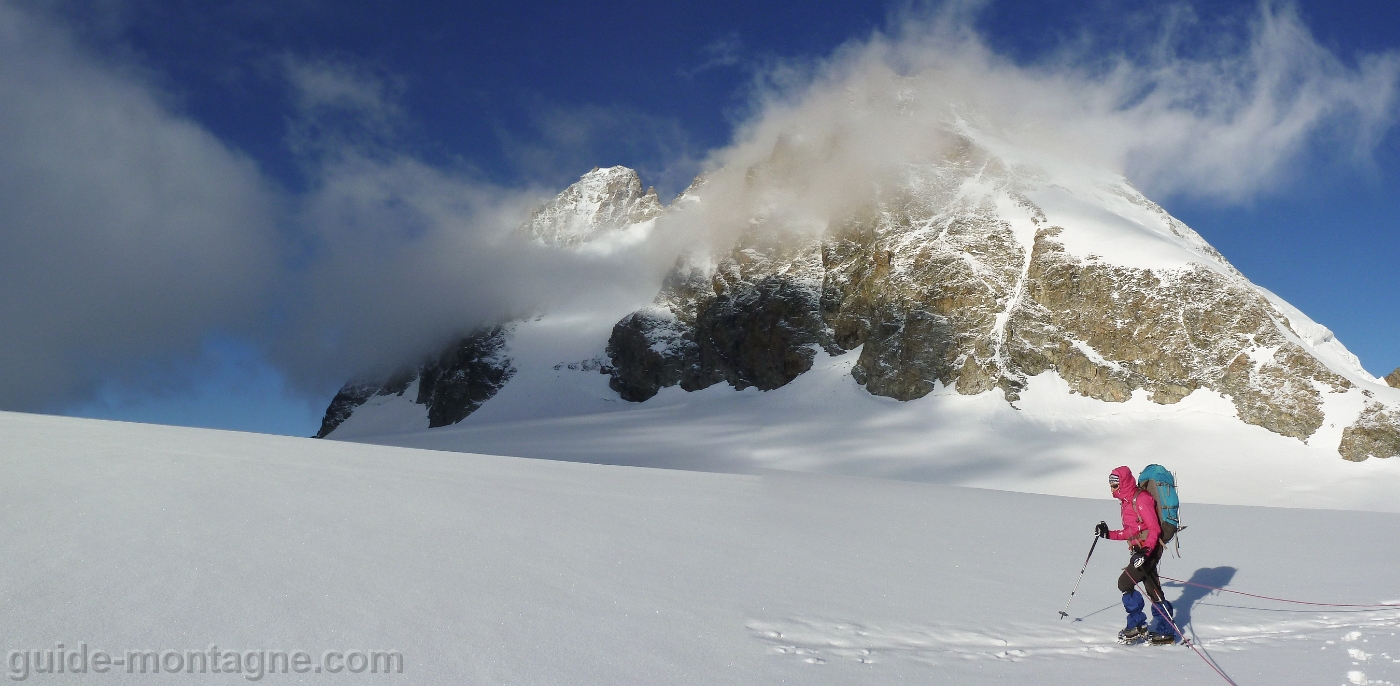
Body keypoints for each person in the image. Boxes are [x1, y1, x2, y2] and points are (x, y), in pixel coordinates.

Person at [1096, 465, 1178, 645]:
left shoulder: (1140, 499)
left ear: (1123, 482)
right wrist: (1107, 534)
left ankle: (1138, 625)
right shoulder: (1127, 502)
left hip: (1149, 548)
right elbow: (1131, 532)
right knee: (1152, 587)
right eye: (1111, 485)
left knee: (1124, 582)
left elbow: (1155, 529)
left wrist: (1145, 552)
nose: (1112, 489)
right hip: (1140, 550)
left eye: (1115, 485)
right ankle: (1164, 630)